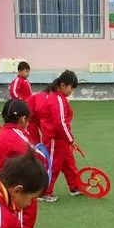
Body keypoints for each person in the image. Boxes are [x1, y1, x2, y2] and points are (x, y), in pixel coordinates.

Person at [0, 99, 49, 228]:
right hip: (20, 184)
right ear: (23, 119)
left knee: (12, 215)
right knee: (23, 216)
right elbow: (35, 156)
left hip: (6, 180)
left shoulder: (3, 134)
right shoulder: (16, 136)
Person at [39, 70, 81, 202]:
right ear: (63, 85)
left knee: (69, 162)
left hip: (61, 138)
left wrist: (69, 139)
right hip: (54, 139)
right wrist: (70, 139)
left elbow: (63, 123)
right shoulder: (56, 99)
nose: (72, 91)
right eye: (71, 88)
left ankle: (74, 186)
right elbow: (60, 123)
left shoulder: (60, 98)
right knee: (52, 165)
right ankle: (44, 191)